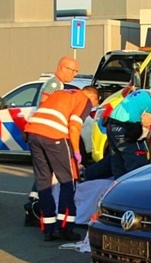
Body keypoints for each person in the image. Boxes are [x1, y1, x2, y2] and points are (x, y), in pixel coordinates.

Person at [25, 86, 99, 241]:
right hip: (54, 136)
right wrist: (77, 152)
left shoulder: (61, 93)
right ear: (93, 98)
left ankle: (47, 228)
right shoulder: (84, 100)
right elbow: (74, 126)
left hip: (33, 133)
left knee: (44, 182)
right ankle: (65, 227)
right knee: (68, 181)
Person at [23, 55, 82, 221]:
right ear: (63, 67)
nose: (74, 74)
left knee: (43, 175)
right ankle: (34, 205)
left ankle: (38, 209)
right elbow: (45, 104)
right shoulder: (54, 84)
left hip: (38, 132)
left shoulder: (57, 83)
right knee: (51, 175)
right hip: (48, 132)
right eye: (73, 70)